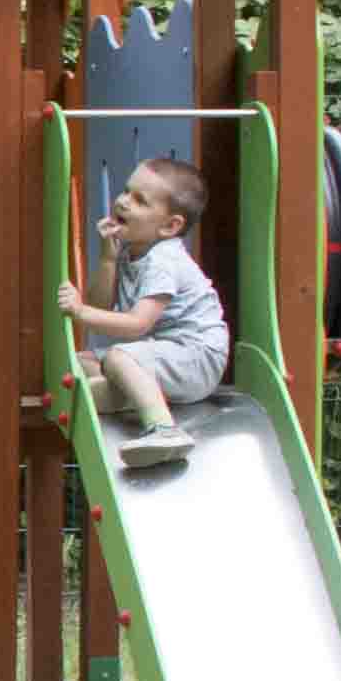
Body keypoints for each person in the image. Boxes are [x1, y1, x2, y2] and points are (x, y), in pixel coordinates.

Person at [61, 152, 230, 472]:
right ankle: (125, 395)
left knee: (118, 357)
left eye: (140, 201)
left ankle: (163, 429)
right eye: (126, 191)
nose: (123, 202)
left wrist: (79, 311)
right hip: (167, 354)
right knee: (80, 363)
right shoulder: (131, 252)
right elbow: (101, 307)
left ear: (170, 226)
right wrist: (108, 260)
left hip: (197, 357)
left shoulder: (163, 260)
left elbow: (137, 324)